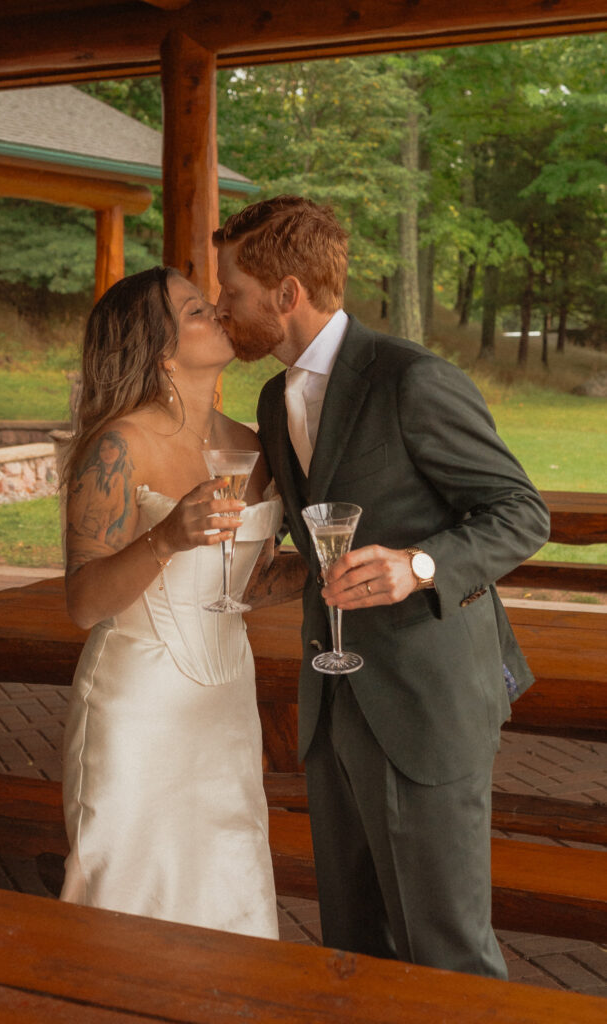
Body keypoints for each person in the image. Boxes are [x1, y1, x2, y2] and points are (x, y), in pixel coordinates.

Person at [212, 195, 551, 976]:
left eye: (233, 291)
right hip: (333, 707)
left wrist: (418, 565)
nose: (224, 306)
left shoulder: (413, 380)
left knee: (448, 951)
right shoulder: (273, 399)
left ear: (288, 293)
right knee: (353, 946)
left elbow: (520, 512)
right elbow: (318, 546)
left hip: (426, 702)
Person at [59, 266, 304, 938]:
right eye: (197, 310)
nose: (218, 312)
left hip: (225, 701)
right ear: (160, 347)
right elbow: (83, 603)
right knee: (129, 892)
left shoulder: (253, 445)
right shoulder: (119, 446)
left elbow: (247, 587)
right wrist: (165, 538)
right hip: (138, 706)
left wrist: (328, 572)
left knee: (228, 884)